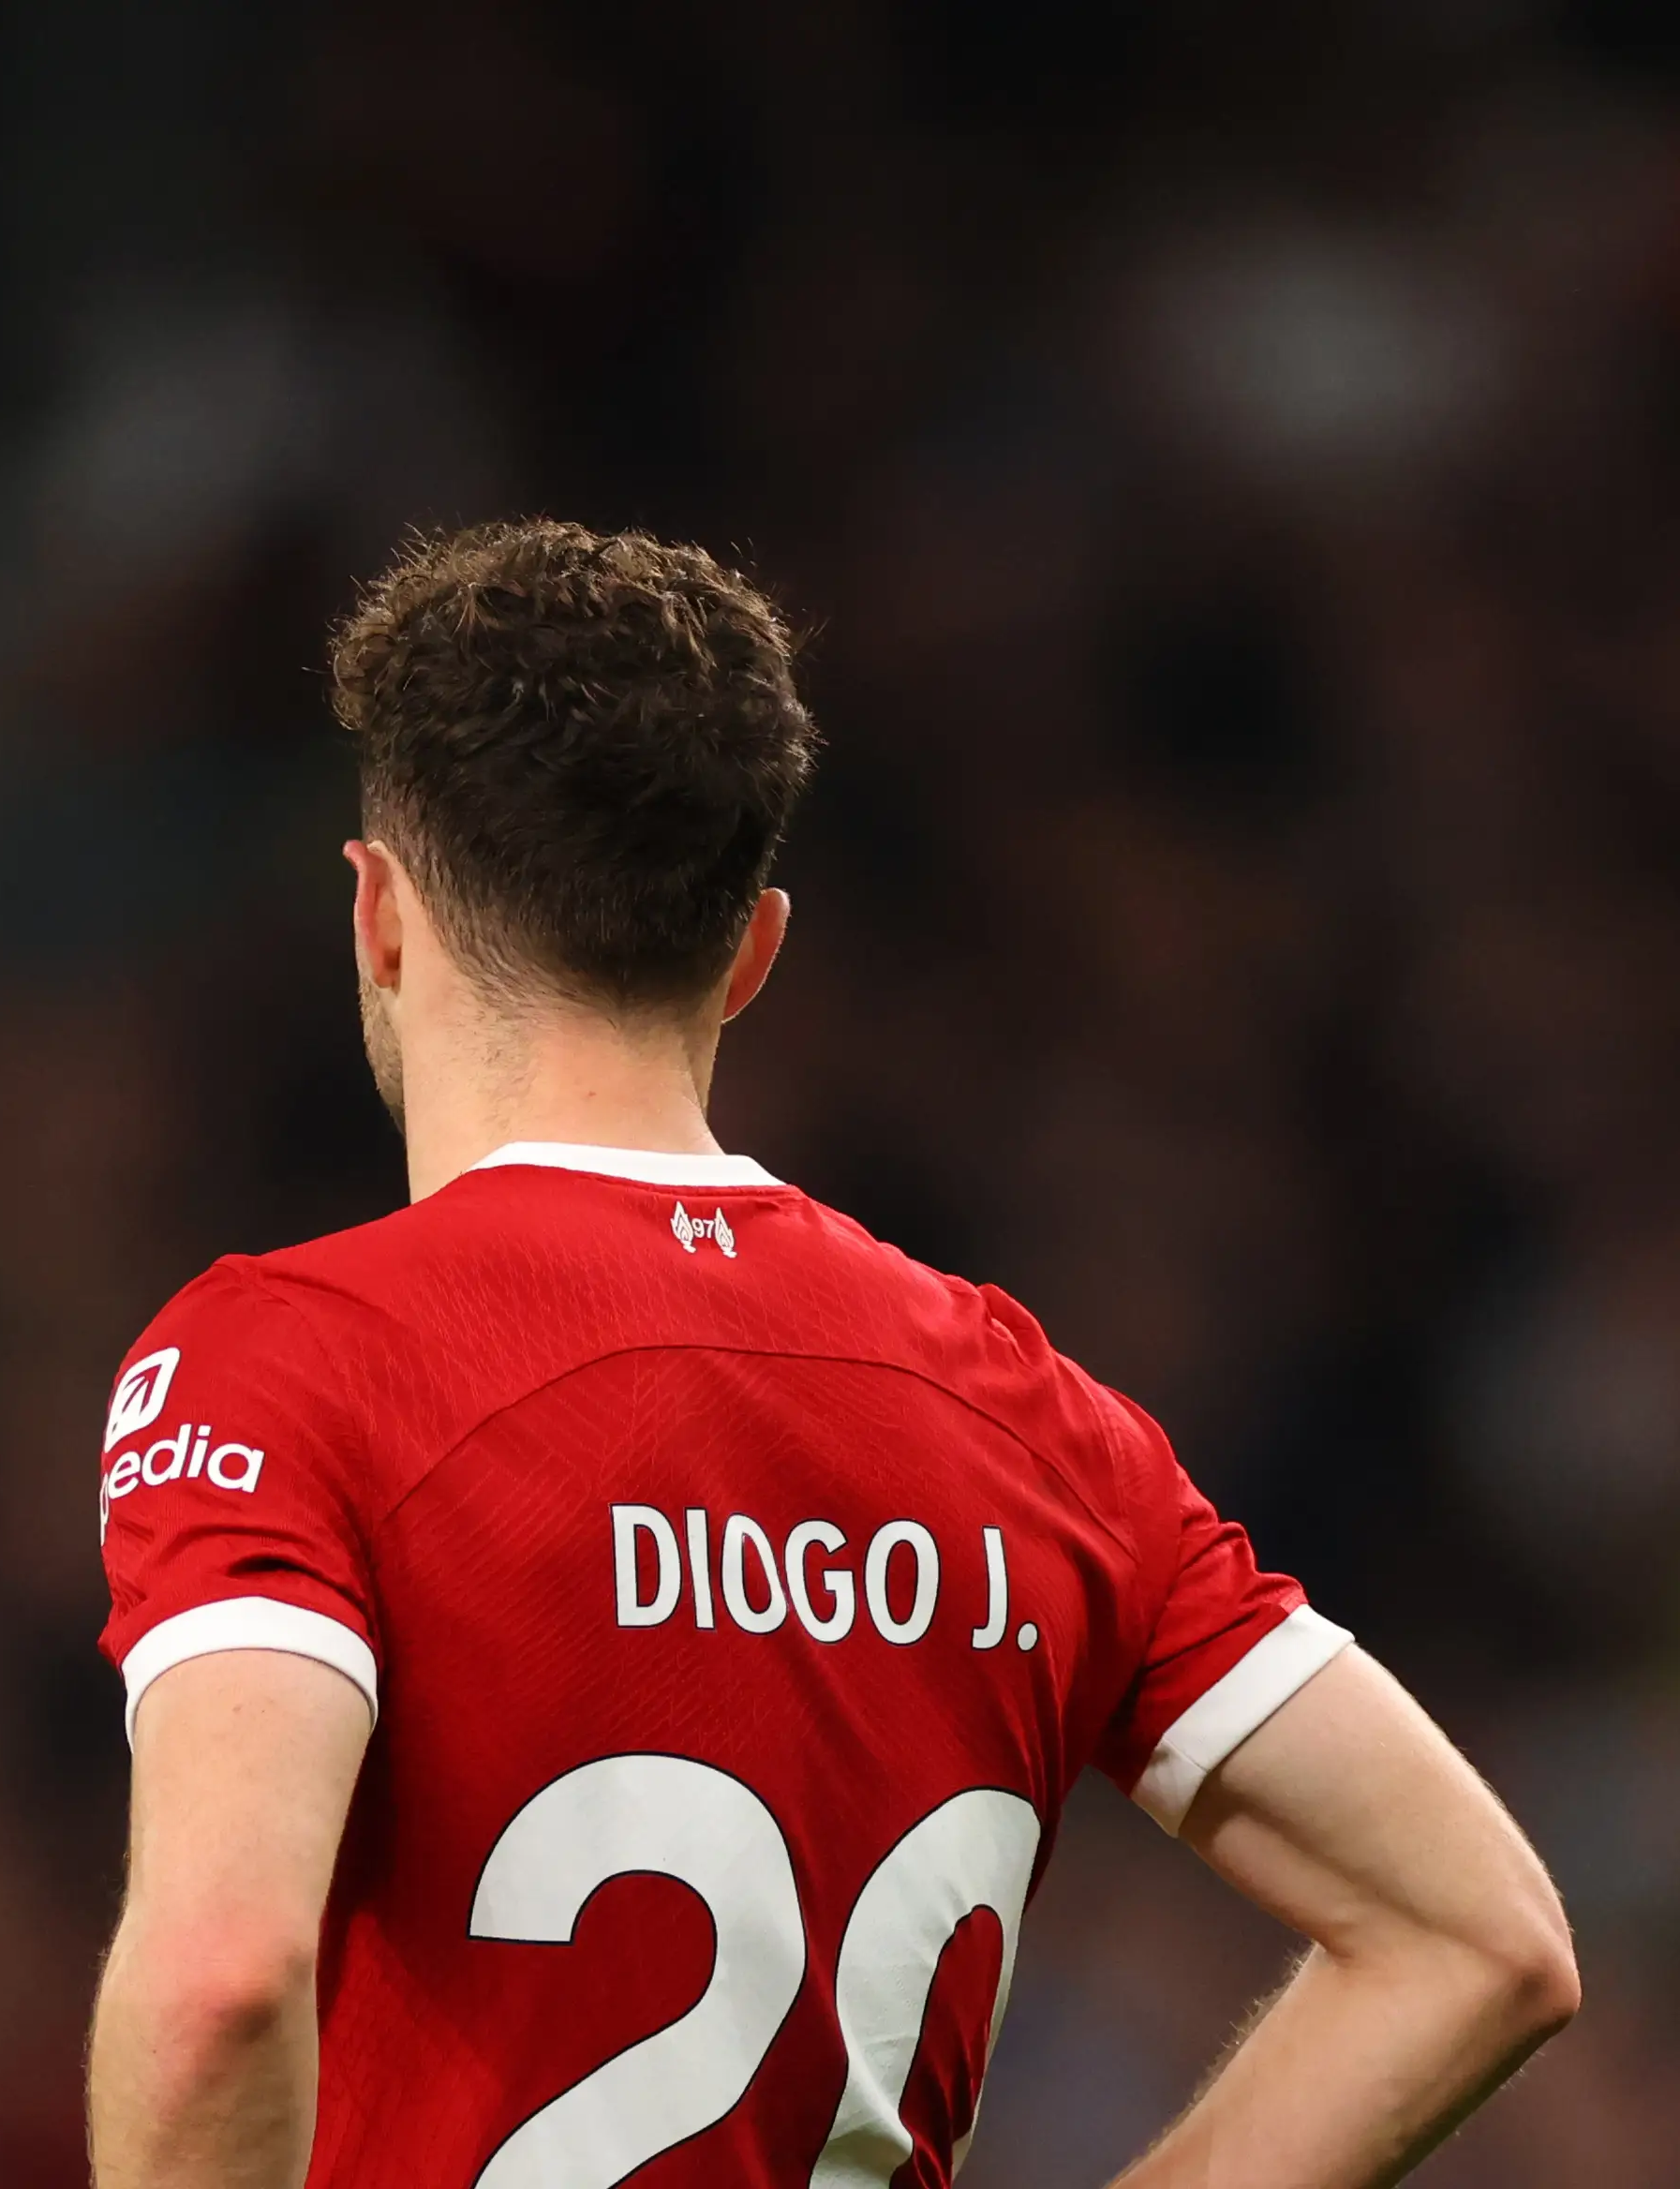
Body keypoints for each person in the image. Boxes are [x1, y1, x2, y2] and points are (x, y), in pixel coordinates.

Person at [83, 521, 1578, 2188]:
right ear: (750, 954)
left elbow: (219, 1985)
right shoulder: (1027, 1417)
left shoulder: (289, 1360)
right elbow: (1482, 1940)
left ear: (376, 917)